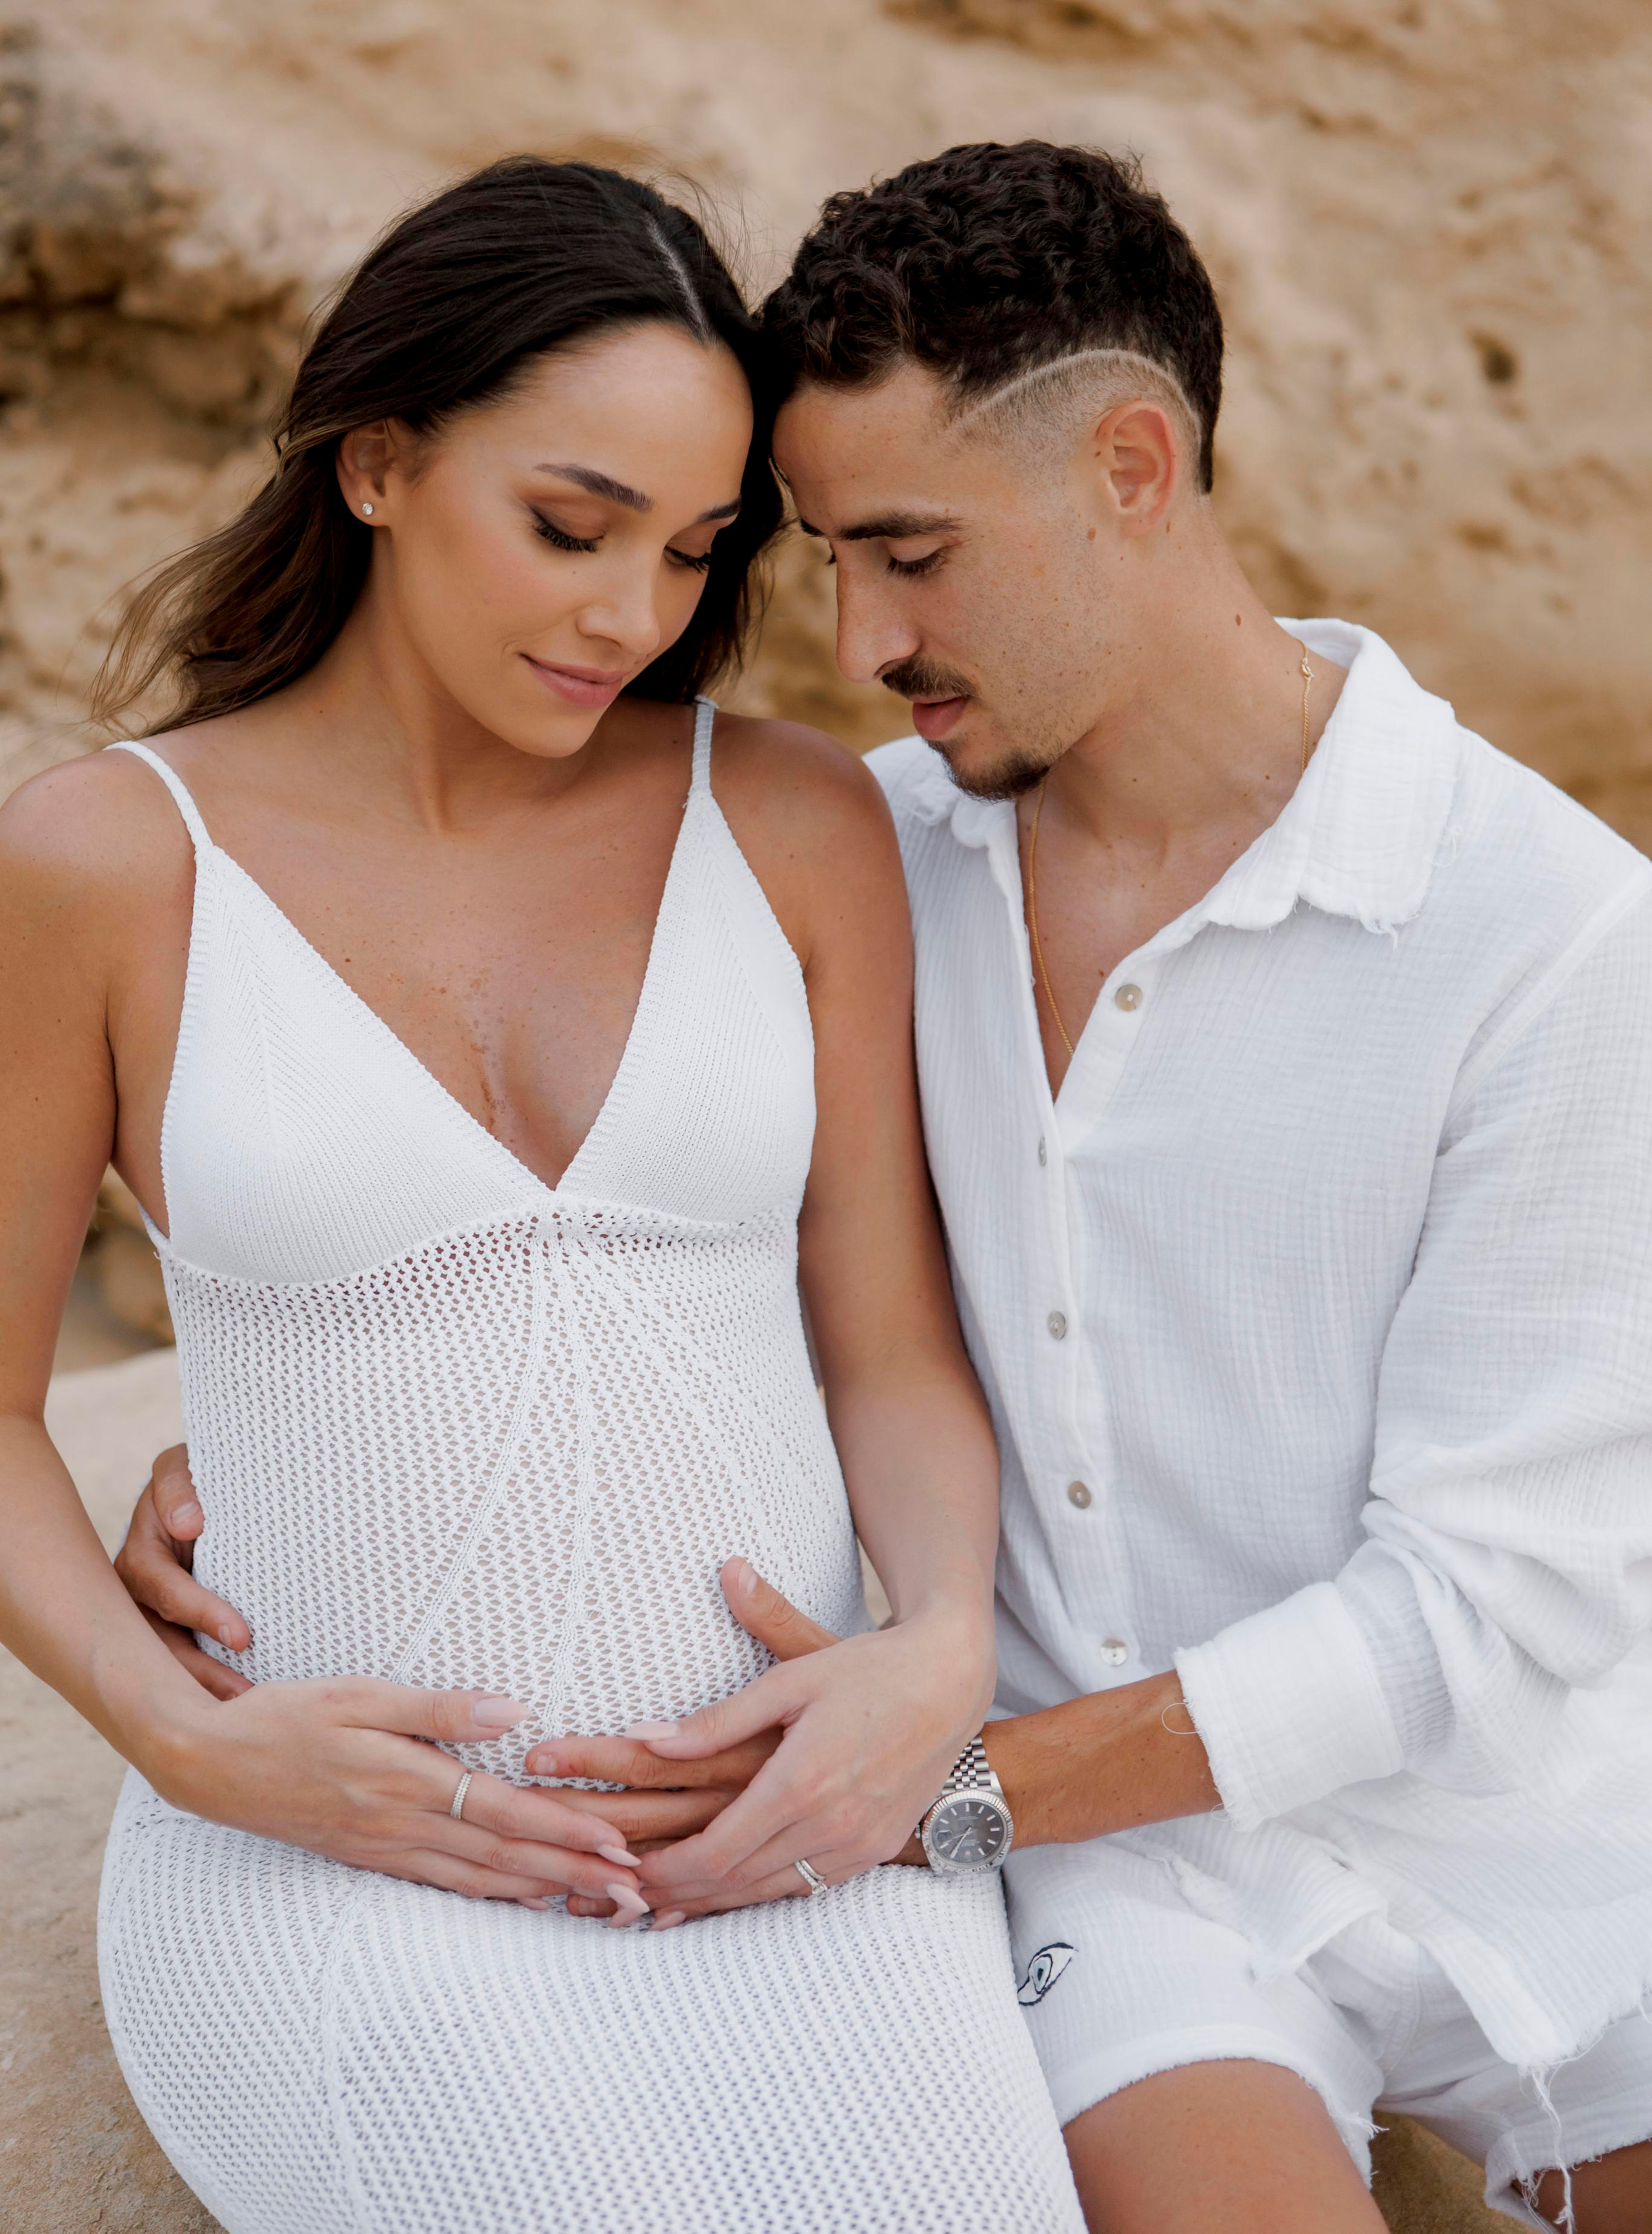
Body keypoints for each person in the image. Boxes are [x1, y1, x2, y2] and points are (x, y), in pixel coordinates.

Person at [116, 141, 1652, 2230]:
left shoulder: (1551, 934)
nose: (852, 640)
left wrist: (946, 1778)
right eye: (824, 555)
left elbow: (1500, 1601)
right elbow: (603, 1243)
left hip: (1520, 1830)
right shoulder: (865, 847)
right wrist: (288, 1430)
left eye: (910, 553)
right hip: (1127, 1902)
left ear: (1132, 467)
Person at [0, 156, 1085, 2234]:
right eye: (571, 528)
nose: (630, 617)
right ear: (379, 460)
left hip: (782, 1840)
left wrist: (936, 1645)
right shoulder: (106, 865)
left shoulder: (790, 818)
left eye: (690, 552)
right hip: (343, 1861)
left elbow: (886, 1348)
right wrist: (187, 1745)